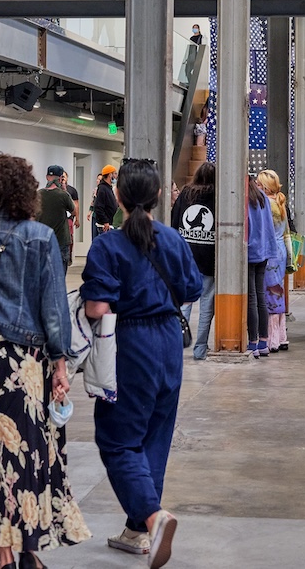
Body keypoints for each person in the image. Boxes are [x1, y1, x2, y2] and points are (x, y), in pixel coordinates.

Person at [0, 154, 90, 566]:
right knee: (27, 452)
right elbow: (53, 307)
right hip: (23, 362)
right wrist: (61, 364)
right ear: (26, 191)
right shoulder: (40, 237)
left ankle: (5, 557)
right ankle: (29, 553)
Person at [80, 158, 202, 567]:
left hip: (129, 344)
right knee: (155, 436)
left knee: (117, 439)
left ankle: (152, 516)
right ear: (159, 195)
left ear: (117, 196)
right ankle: (137, 531)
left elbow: (97, 307)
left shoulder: (107, 246)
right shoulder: (173, 239)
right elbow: (191, 290)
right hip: (169, 343)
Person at [170, 162, 216, 360]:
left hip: (186, 258)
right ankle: (200, 349)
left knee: (184, 303)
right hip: (210, 259)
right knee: (206, 306)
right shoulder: (219, 196)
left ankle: (176, 346)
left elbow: (174, 223)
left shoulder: (186, 194)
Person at [257, 169, 293, 352]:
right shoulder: (280, 203)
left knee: (269, 294)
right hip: (281, 251)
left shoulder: (265, 205)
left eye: (258, 184)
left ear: (264, 187)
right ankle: (281, 337)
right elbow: (286, 233)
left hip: (269, 252)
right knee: (278, 292)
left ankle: (272, 340)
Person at [246, 175, 280, 357]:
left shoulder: (243, 198)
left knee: (251, 298)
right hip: (264, 250)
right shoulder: (262, 197)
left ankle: (252, 342)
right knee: (260, 295)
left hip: (249, 251)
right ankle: (263, 342)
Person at [36, 164, 76, 270]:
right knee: (60, 273)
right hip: (61, 240)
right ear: (60, 178)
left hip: (43, 239)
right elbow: (74, 211)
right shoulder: (63, 195)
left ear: (46, 177)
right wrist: (64, 190)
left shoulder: (38, 194)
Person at [91, 164, 119, 239]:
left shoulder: (108, 188)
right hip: (105, 226)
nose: (116, 176)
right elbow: (98, 207)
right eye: (115, 173)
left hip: (110, 225)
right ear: (110, 175)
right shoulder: (102, 189)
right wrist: (105, 221)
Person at [62, 170, 80, 263]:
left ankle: (69, 254)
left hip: (69, 217)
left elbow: (76, 205)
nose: (63, 178)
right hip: (60, 216)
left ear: (67, 178)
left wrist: (77, 218)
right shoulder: (57, 189)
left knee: (69, 235)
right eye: (61, 176)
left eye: (64, 176)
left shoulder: (72, 190)